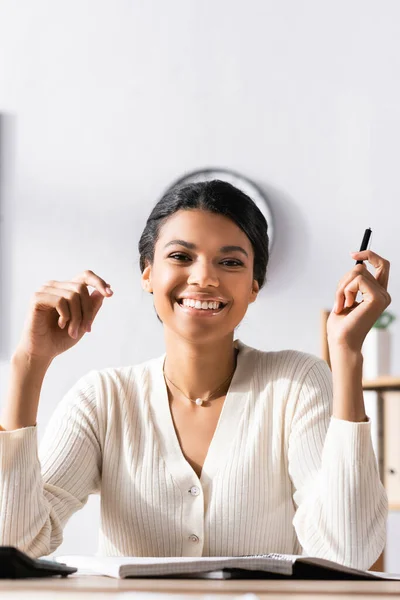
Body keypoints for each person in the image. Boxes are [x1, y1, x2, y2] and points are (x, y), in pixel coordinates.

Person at [0, 180, 390, 569]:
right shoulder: (102, 398)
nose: (204, 277)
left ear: (254, 286)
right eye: (181, 256)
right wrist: (29, 363)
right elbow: (13, 544)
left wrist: (347, 353)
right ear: (147, 275)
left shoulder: (298, 383)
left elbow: (349, 552)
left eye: (231, 261)